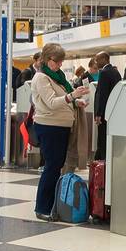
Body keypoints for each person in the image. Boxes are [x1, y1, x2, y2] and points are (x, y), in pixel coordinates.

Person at [30, 43, 88, 221]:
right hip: (49, 127)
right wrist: (73, 96)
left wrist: (76, 102)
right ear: (47, 60)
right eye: (58, 61)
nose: (60, 65)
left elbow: (63, 100)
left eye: (62, 61)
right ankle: (42, 207)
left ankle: (53, 205)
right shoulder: (41, 78)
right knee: (52, 167)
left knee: (57, 166)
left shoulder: (57, 77)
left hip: (60, 127)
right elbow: (51, 102)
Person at [92, 51, 120, 161]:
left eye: (97, 59)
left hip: (104, 113)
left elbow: (102, 94)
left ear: (104, 59)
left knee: (102, 139)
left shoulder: (104, 73)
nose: (96, 62)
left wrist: (99, 113)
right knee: (107, 139)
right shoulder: (115, 72)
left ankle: (102, 162)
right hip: (112, 111)